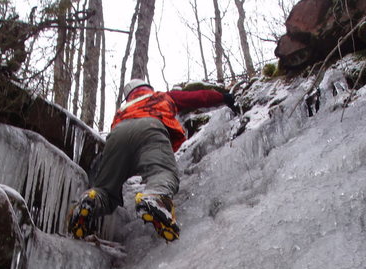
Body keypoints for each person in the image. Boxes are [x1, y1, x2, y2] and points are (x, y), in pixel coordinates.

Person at [68, 79, 240, 242]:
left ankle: (92, 199)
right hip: (150, 128)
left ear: (129, 95)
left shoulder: (123, 109)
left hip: (117, 136)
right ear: (146, 87)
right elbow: (196, 97)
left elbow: (120, 135)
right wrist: (223, 97)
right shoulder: (160, 96)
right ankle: (155, 195)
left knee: (107, 189)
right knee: (162, 172)